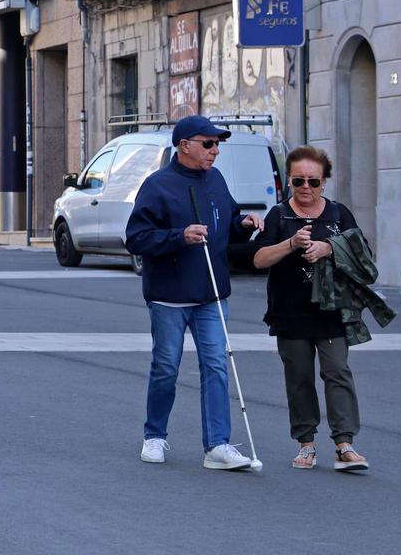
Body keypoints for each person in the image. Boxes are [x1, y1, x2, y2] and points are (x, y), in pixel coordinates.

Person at [125, 115, 264, 470]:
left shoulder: (216, 180)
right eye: (208, 144)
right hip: (169, 295)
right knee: (166, 367)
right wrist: (179, 236)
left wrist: (244, 224)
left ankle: (217, 445)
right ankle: (155, 435)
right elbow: (136, 238)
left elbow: (227, 225)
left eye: (218, 145)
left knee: (216, 365)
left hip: (212, 294)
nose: (215, 151)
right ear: (184, 145)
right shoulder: (157, 185)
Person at [252, 146, 371, 472]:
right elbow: (259, 259)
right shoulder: (279, 215)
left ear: (324, 182)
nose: (306, 188)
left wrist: (329, 247)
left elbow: (363, 255)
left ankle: (344, 444)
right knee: (299, 377)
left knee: (338, 372)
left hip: (332, 310)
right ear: (289, 181)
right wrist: (290, 244)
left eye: (313, 182)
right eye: (298, 181)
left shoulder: (337, 214)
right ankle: (306, 445)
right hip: (290, 311)